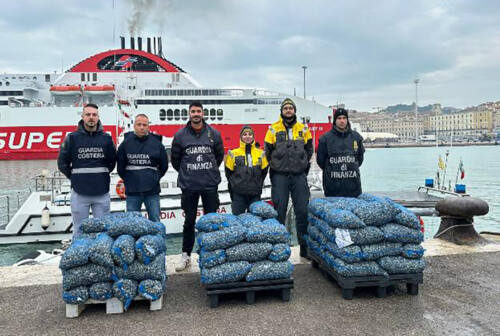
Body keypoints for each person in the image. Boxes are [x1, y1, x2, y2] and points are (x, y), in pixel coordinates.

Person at [171, 101, 224, 271]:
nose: (196, 114)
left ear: (203, 113)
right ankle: (186, 255)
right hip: (189, 186)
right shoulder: (180, 136)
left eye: (198, 111)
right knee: (189, 222)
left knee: (211, 220)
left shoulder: (214, 134)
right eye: (193, 111)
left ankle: (211, 252)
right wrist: (189, 172)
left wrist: (206, 170)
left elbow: (219, 156)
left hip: (209, 185)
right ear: (189, 113)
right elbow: (175, 160)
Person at [57, 103, 116, 238]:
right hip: (79, 193)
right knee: (79, 230)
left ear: (98, 117)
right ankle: (79, 256)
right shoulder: (72, 138)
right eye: (88, 114)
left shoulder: (106, 139)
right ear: (82, 117)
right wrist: (75, 178)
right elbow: (62, 163)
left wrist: (101, 175)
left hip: (102, 192)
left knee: (103, 230)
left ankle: (102, 256)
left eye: (94, 115)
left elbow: (112, 161)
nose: (91, 118)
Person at [264, 98, 313, 258]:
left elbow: (309, 149)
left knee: (302, 211)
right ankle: (279, 249)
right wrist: (277, 165)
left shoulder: (303, 129)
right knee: (279, 211)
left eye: (291, 108)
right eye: (285, 108)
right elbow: (268, 151)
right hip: (280, 176)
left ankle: (305, 249)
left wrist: (302, 165)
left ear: (294, 111)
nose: (288, 110)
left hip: (299, 176)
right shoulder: (273, 129)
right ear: (281, 111)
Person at [117, 114, 168, 222]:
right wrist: (129, 179)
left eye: (144, 125)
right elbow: (120, 168)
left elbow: (164, 166)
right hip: (132, 191)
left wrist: (155, 177)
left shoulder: (157, 144)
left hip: (152, 191)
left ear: (148, 126)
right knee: (132, 223)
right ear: (134, 125)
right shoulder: (125, 144)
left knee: (155, 221)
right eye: (139, 124)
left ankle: (157, 239)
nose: (141, 127)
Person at [316, 107, 365, 197]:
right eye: (339, 118)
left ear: (347, 120)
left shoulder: (356, 137)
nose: (342, 121)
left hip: (353, 187)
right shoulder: (325, 138)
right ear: (335, 120)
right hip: (332, 188)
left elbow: (360, 159)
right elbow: (320, 161)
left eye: (344, 118)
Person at [225, 125, 269, 215]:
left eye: (250, 134)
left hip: (255, 194)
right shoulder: (233, 153)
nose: (247, 136)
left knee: (255, 220)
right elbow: (228, 173)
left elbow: (264, 172)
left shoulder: (261, 154)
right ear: (241, 137)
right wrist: (236, 185)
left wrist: (257, 184)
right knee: (237, 220)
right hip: (238, 194)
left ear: (253, 137)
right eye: (245, 134)